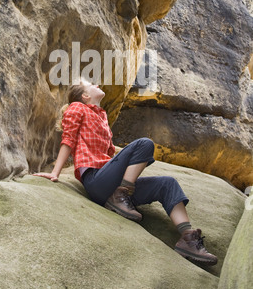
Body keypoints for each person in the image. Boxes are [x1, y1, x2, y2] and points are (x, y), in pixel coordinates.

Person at [33, 78, 217, 266]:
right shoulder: (77, 108)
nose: (97, 84)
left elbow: (110, 154)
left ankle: (187, 239)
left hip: (111, 181)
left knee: (167, 183)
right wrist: (55, 173)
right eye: (91, 84)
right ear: (85, 96)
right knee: (145, 143)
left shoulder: (101, 116)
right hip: (96, 179)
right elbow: (68, 140)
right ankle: (121, 196)